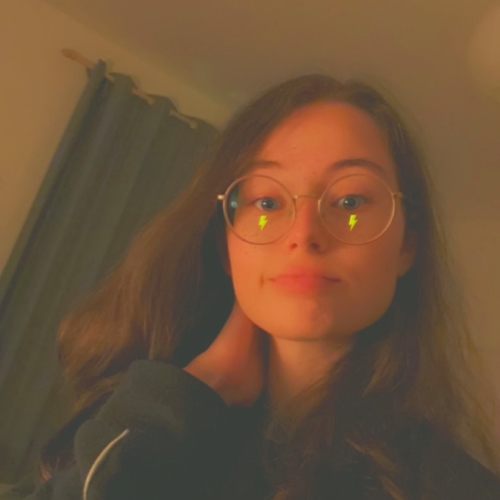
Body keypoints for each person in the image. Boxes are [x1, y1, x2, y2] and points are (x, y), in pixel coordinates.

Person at [2, 74, 500, 500]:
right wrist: (188, 397)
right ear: (225, 243)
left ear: (407, 245)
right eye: (266, 203)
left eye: (350, 202)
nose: (304, 233)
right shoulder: (151, 421)